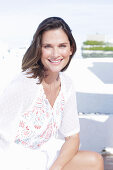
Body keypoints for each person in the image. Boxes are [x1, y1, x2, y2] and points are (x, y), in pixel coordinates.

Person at [0, 17, 104, 170]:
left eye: (62, 46)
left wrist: (57, 167)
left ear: (71, 49)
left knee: (94, 161)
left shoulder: (67, 85)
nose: (55, 54)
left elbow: (72, 137)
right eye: (48, 46)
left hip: (43, 157)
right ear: (38, 49)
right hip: (12, 161)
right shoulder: (24, 84)